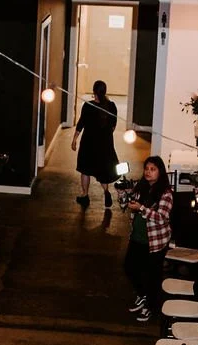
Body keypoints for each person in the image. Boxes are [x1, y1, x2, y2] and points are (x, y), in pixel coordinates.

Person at [122, 155, 173, 323]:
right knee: (129, 267)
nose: (148, 172)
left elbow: (161, 217)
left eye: (153, 169)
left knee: (152, 275)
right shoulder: (141, 187)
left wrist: (142, 208)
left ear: (160, 172)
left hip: (156, 241)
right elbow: (125, 206)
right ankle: (143, 295)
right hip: (137, 236)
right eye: (146, 169)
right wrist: (124, 195)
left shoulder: (165, 193)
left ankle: (151, 307)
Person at [72, 80, 120, 210]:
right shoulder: (112, 106)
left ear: (94, 92)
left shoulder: (88, 106)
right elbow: (113, 126)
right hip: (105, 144)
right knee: (103, 170)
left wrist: (74, 139)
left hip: (89, 144)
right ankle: (106, 192)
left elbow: (81, 123)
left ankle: (85, 195)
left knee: (85, 169)